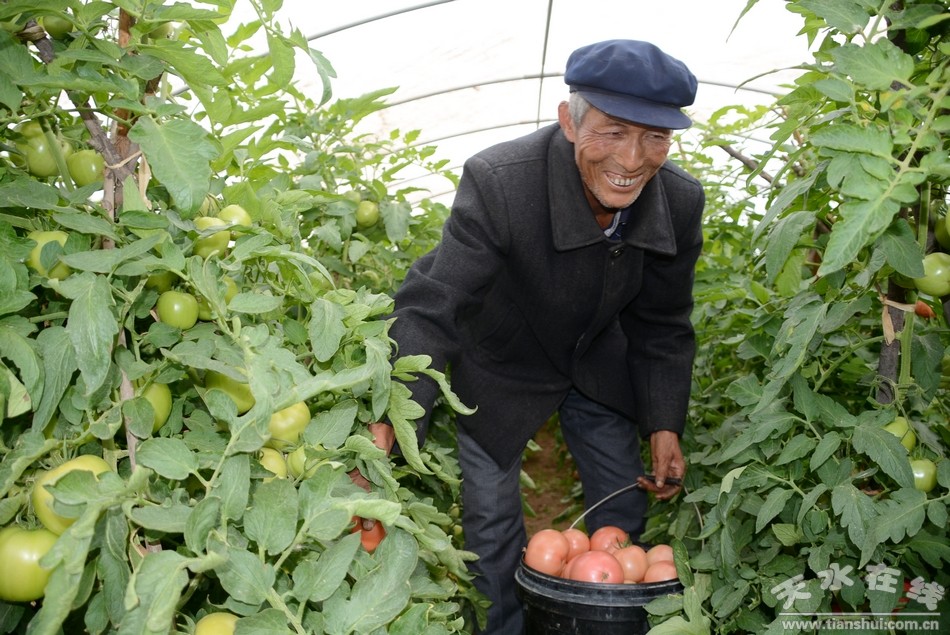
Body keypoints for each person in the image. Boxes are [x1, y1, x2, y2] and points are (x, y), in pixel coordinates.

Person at [360, 39, 703, 634]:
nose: (635, 157)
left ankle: (607, 620)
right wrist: (390, 419)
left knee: (621, 512)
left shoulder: (677, 199)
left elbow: (662, 322)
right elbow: (437, 303)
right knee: (492, 526)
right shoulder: (501, 182)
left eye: (656, 137)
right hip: (498, 364)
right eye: (614, 132)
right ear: (570, 121)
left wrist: (663, 420)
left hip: (596, 360)